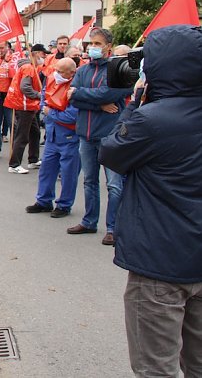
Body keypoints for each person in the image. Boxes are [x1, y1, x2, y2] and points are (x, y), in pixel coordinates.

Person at [99, 25, 202, 377]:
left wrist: (136, 104)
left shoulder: (151, 120)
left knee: (155, 369)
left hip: (160, 263)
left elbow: (112, 153)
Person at [66, 27, 133, 243]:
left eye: (97, 44)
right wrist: (99, 105)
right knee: (89, 181)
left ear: (108, 47)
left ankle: (113, 227)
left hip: (109, 135)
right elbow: (72, 98)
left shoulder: (119, 69)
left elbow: (110, 93)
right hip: (86, 133)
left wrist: (82, 95)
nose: (93, 47)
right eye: (91, 43)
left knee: (114, 184)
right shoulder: (84, 70)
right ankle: (89, 221)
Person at [25, 58, 80, 216]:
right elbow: (43, 101)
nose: (57, 74)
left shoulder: (76, 87)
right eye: (56, 70)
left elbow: (71, 116)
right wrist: (48, 110)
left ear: (71, 72)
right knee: (46, 170)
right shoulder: (51, 79)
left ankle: (64, 205)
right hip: (52, 134)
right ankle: (43, 201)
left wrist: (51, 112)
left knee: (69, 174)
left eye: (61, 71)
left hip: (69, 136)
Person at [5, 44, 47, 174]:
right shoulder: (29, 68)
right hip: (24, 105)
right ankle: (14, 164)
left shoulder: (30, 67)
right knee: (22, 135)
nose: (44, 56)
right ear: (35, 53)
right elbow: (25, 87)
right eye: (42, 53)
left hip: (29, 105)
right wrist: (39, 95)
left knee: (35, 132)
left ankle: (33, 159)